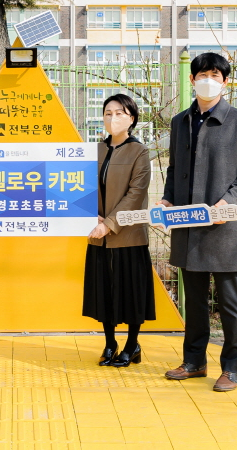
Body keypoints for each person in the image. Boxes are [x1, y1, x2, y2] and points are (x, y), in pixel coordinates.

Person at [159, 52, 237, 392]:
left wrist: (227, 202)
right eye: (203, 74)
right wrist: (167, 198)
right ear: (192, 80)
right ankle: (194, 362)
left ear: (225, 81)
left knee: (230, 301)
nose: (209, 80)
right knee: (195, 301)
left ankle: (232, 368)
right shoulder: (180, 122)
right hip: (188, 224)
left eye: (216, 75)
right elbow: (175, 169)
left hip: (223, 226)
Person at [83, 94, 154, 368]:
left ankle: (131, 344)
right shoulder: (95, 150)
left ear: (132, 118)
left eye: (120, 113)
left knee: (131, 293)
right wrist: (91, 216)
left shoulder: (140, 152)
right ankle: (110, 343)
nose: (113, 118)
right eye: (108, 113)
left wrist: (109, 224)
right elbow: (82, 187)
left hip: (128, 236)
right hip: (97, 236)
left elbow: (135, 195)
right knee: (105, 293)